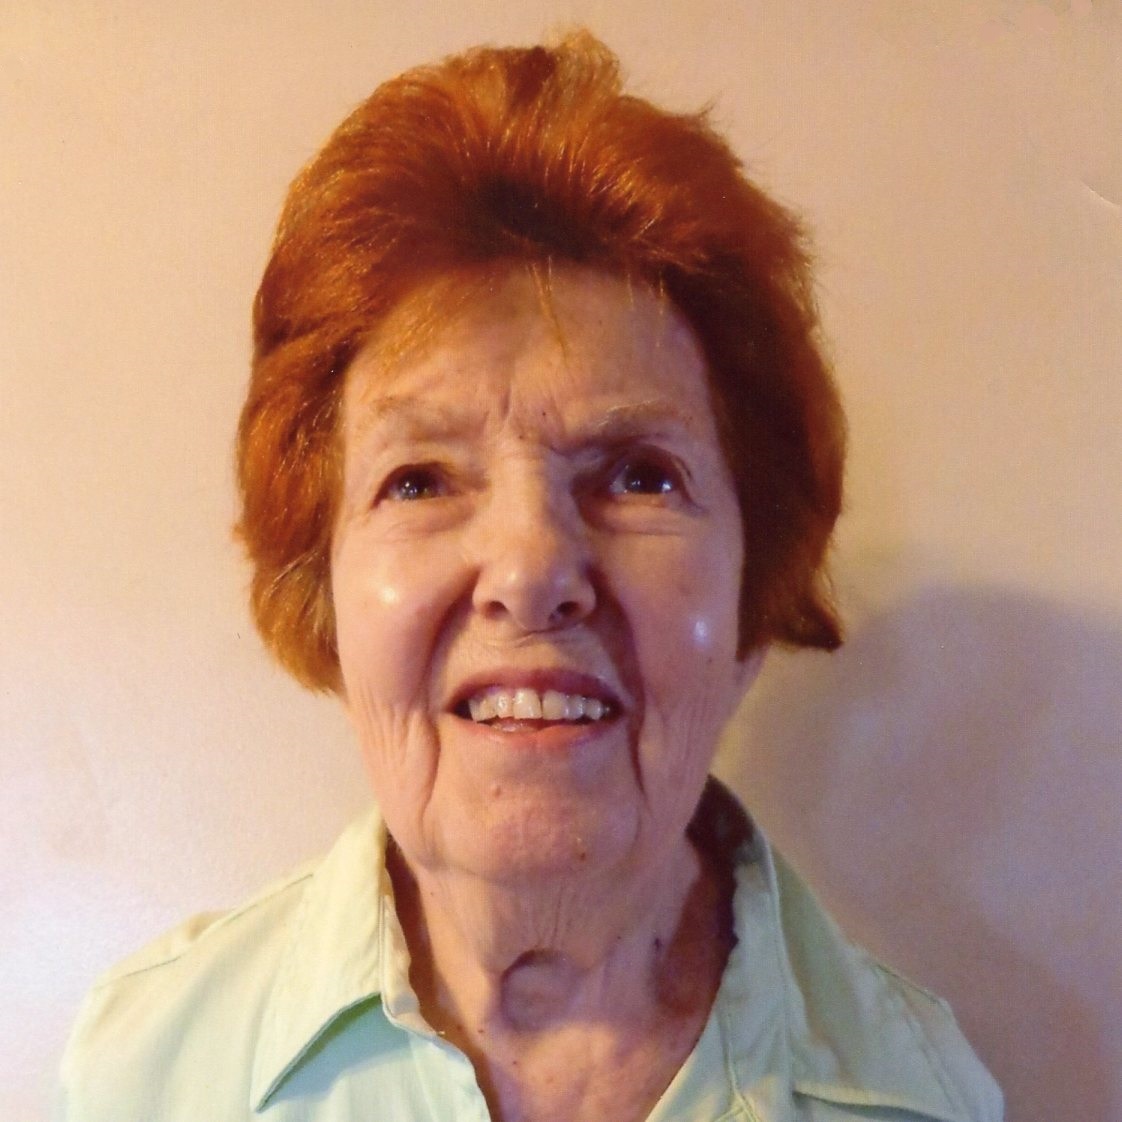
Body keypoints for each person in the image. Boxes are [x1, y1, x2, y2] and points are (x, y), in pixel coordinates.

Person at [58, 32, 1002, 1122]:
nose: (530, 567)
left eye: (640, 477)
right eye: (418, 481)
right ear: (323, 587)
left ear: (754, 590)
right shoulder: (149, 1075)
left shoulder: (920, 1100)